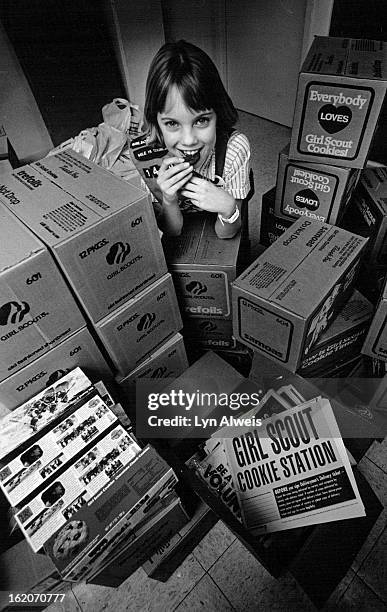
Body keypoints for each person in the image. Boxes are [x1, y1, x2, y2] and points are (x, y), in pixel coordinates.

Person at [130, 40, 251, 239]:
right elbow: (173, 231)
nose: (188, 141)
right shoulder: (148, 155)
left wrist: (228, 208)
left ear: (218, 114)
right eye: (172, 124)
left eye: (201, 120)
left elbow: (227, 233)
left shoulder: (234, 149)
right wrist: (168, 199)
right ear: (156, 121)